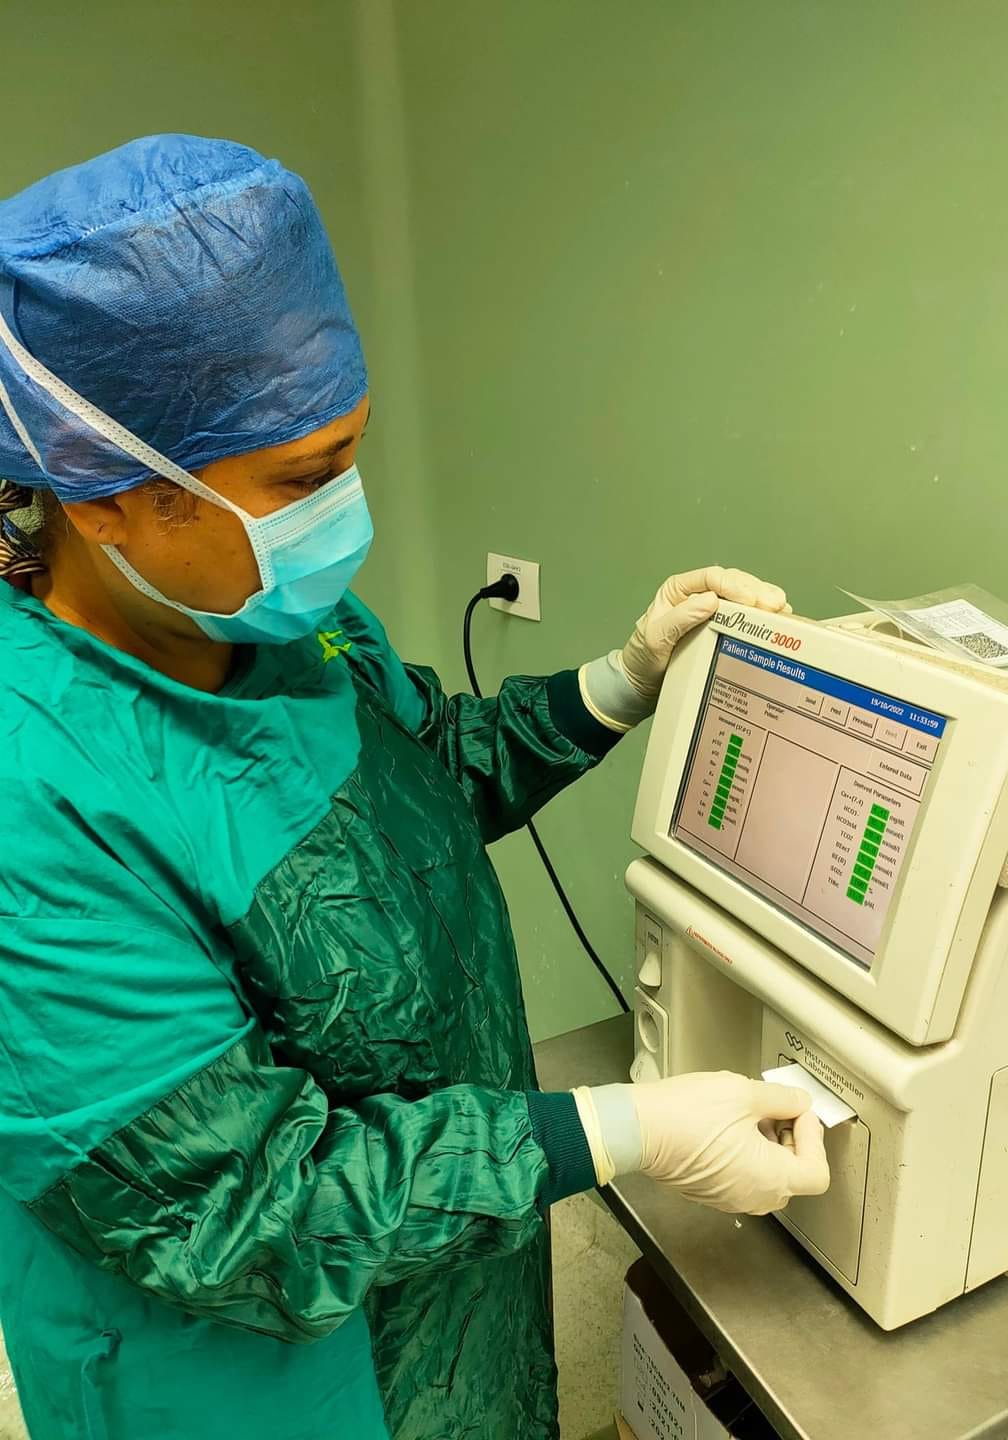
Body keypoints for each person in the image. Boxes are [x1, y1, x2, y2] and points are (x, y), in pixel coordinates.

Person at [0, 135, 829, 1440]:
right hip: (251, 1381)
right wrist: (619, 1131)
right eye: (302, 480)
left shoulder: (276, 617)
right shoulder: (34, 800)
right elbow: (239, 1212)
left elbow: (414, 792)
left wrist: (620, 680)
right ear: (105, 502)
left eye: (351, 451)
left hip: (447, 1273)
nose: (346, 510)